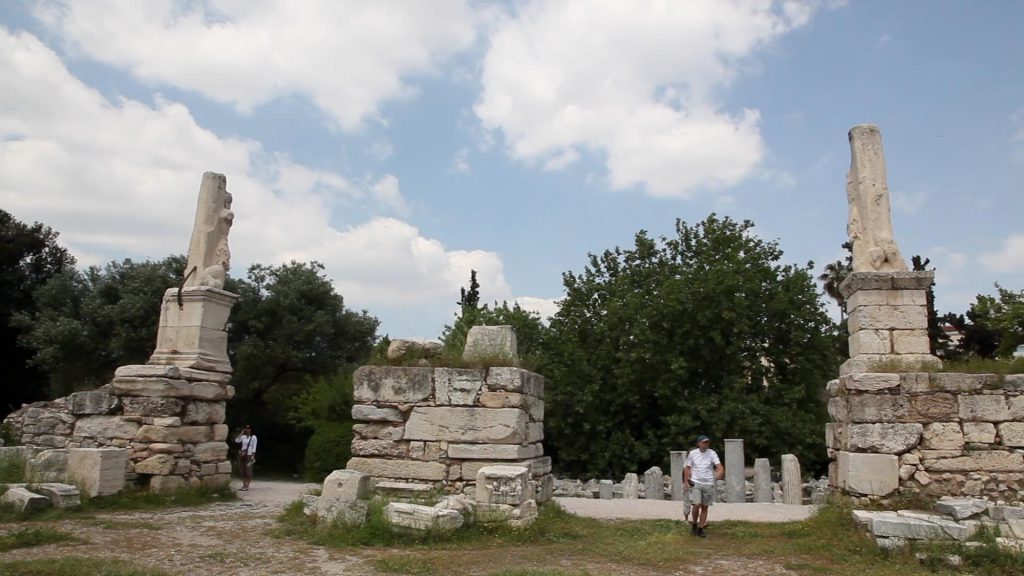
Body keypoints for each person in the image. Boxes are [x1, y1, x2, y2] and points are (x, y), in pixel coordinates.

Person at [683, 434, 724, 538]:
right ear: (699, 443)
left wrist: (719, 473)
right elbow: (687, 468)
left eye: (707, 442)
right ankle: (694, 524)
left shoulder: (712, 453)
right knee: (696, 504)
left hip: (708, 483)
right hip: (696, 482)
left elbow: (719, 467)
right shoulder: (693, 453)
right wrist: (686, 482)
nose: (706, 444)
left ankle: (701, 528)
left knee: (705, 507)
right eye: (704, 442)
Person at [235, 424, 258, 491]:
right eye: (246, 428)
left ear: (251, 429)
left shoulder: (253, 437)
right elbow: (237, 441)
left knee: (248, 470)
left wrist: (253, 456)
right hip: (242, 455)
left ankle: (247, 485)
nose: (247, 430)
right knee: (243, 470)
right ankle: (244, 485)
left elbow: (254, 447)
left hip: (250, 455)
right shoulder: (243, 437)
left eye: (249, 428)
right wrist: (241, 433)